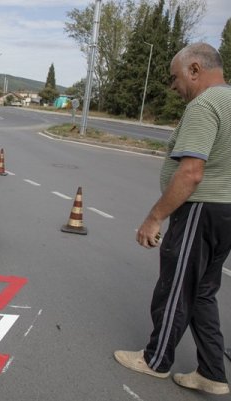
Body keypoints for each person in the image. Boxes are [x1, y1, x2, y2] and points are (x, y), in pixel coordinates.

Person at [114, 43, 231, 396]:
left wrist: (154, 217)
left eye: (174, 78)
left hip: (201, 208)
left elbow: (191, 172)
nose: (172, 86)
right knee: (202, 293)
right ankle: (212, 372)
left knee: (175, 287)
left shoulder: (205, 104)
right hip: (225, 211)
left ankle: (156, 360)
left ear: (194, 70)